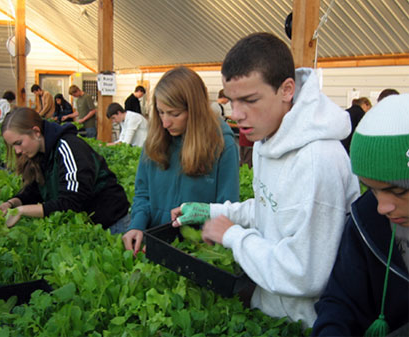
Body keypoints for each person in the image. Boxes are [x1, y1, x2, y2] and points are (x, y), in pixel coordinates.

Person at [171, 32, 360, 328]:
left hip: (305, 323)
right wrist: (213, 212)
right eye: (232, 101)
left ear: (286, 90)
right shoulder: (268, 137)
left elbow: (305, 274)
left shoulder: (318, 161)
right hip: (267, 307)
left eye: (249, 100)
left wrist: (233, 235)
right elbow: (269, 206)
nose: (237, 114)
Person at [312, 94, 409, 337]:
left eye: (397, 191)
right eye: (372, 189)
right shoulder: (365, 219)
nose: (382, 207)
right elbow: (342, 297)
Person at [122, 66, 240, 254]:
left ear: (195, 110)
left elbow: (227, 209)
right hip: (152, 246)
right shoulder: (156, 138)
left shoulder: (222, 144)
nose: (165, 122)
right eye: (161, 112)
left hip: (197, 252)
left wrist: (201, 249)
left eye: (174, 114)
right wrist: (136, 225)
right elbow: (143, 194)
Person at [0, 107, 130, 234]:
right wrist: (11, 204)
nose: (17, 151)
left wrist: (20, 211)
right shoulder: (40, 153)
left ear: (36, 132)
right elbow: (34, 191)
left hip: (112, 223)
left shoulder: (68, 147)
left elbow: (71, 202)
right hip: (88, 225)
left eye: (18, 143)